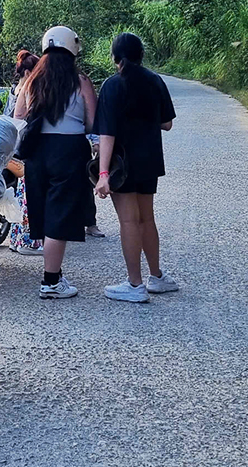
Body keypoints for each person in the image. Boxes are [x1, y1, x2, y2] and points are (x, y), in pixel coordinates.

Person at [14, 26, 97, 299]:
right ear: (73, 49)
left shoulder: (32, 80)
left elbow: (19, 116)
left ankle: (55, 276)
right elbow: (92, 122)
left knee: (44, 212)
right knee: (59, 216)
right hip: (69, 150)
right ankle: (50, 281)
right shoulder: (80, 81)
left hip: (36, 151)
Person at [94, 32, 177, 304]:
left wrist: (103, 174)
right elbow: (167, 124)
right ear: (141, 55)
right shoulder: (154, 80)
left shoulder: (111, 86)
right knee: (146, 219)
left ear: (115, 58)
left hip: (122, 164)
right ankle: (156, 276)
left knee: (129, 221)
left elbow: (107, 133)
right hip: (149, 160)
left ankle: (134, 284)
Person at [5, 50, 42, 255]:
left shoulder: (15, 90)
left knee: (22, 194)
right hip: (26, 147)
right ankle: (28, 241)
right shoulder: (30, 87)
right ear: (29, 72)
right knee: (30, 195)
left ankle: (16, 238)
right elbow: (22, 118)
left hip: (13, 147)